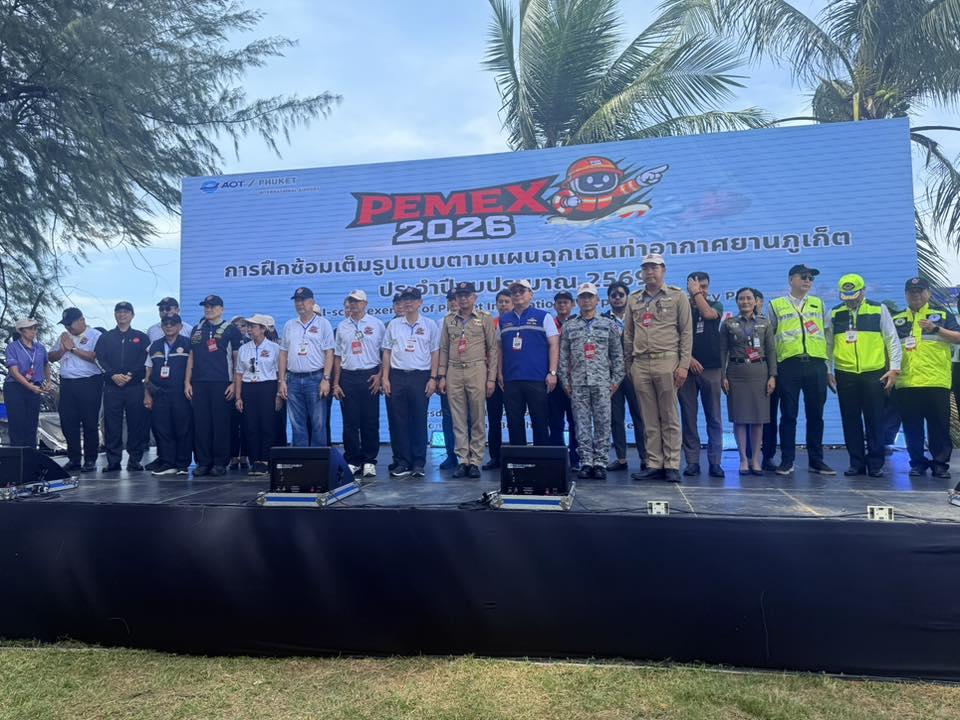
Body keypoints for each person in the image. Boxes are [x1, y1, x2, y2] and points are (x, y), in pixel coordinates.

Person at [624, 254, 692, 483]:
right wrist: (629, 365)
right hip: (640, 363)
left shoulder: (677, 296)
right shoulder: (634, 299)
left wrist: (683, 365)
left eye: (654, 267)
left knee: (670, 415)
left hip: (667, 360)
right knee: (649, 417)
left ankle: (672, 464)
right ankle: (654, 463)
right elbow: (628, 334)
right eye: (646, 268)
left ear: (663, 270)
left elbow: (686, 333)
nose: (649, 272)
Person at [828, 274, 902, 477]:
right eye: (846, 296)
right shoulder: (834, 313)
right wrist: (828, 370)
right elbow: (828, 344)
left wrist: (894, 368)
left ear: (863, 291)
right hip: (845, 373)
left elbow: (892, 340)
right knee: (850, 419)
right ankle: (856, 463)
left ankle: (876, 463)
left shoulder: (878, 309)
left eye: (854, 295)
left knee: (875, 418)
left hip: (874, 372)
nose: (850, 300)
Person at [768, 264, 835, 476]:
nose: (807, 281)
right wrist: (773, 371)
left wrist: (828, 369)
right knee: (788, 415)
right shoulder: (776, 305)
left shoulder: (819, 304)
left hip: (816, 365)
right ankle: (787, 460)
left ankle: (816, 460)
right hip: (789, 365)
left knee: (816, 415)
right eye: (803, 276)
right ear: (791, 280)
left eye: (811, 278)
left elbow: (828, 339)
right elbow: (769, 341)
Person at [893, 277, 960, 480]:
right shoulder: (897, 319)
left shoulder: (942, 315)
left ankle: (940, 465)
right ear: (906, 294)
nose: (916, 295)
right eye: (911, 292)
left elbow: (958, 337)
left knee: (939, 427)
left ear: (928, 293)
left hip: (936, 381)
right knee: (912, 428)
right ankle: (917, 463)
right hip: (907, 382)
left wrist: (936, 328)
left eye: (920, 291)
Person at [558, 283, 624, 479]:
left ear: (597, 300)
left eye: (590, 297)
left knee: (603, 423)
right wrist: (565, 382)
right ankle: (586, 461)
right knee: (581, 424)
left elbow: (617, 356)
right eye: (583, 297)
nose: (586, 300)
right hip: (578, 384)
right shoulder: (569, 326)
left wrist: (615, 381)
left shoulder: (608, 324)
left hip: (603, 383)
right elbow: (563, 357)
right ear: (577, 301)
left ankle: (600, 462)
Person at [438, 281, 498, 478]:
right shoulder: (449, 319)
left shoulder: (484, 318)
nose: (463, 298)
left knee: (478, 417)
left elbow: (492, 349)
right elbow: (444, 348)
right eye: (460, 295)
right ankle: (463, 459)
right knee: (458, 418)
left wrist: (491, 378)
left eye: (467, 295)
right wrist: (441, 375)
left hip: (477, 369)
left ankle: (475, 461)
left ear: (474, 297)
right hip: (454, 371)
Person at [382, 286, 440, 478]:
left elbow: (435, 353)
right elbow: (387, 352)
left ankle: (418, 462)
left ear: (420, 303)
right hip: (397, 376)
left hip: (420, 377)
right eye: (405, 299)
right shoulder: (394, 325)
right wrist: (385, 378)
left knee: (418, 420)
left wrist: (433, 378)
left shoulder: (430, 325)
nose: (408, 303)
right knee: (399, 421)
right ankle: (402, 462)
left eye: (412, 299)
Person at [185, 294, 243, 476]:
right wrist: (187, 382)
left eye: (212, 306)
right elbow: (191, 357)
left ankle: (220, 462)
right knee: (201, 424)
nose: (208, 309)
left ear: (221, 309)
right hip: (199, 383)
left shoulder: (231, 329)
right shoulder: (197, 329)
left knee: (220, 424)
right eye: (206, 306)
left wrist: (234, 383)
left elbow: (236, 359)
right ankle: (203, 462)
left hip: (222, 382)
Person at [720, 288, 776, 475]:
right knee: (740, 419)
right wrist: (723, 376)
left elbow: (771, 351)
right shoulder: (728, 323)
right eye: (741, 298)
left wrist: (772, 376)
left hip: (759, 373)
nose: (745, 302)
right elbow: (722, 351)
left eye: (749, 298)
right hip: (736, 373)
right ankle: (743, 459)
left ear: (755, 301)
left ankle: (755, 460)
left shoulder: (764, 322)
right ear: (737, 301)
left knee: (758, 419)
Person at [499, 279, 560, 446]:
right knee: (514, 423)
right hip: (511, 379)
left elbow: (554, 345)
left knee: (540, 421)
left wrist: (552, 372)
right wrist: (499, 373)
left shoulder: (544, 316)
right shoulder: (504, 320)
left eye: (522, 291)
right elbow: (499, 349)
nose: (518, 294)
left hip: (537, 378)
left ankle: (541, 458)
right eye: (514, 292)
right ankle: (519, 459)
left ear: (531, 294)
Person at [332, 289, 385, 478]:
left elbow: (385, 353)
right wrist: (336, 383)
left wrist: (380, 375)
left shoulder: (377, 324)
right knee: (350, 422)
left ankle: (369, 460)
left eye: (357, 301)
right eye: (351, 301)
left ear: (365, 304)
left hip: (370, 375)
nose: (353, 305)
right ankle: (353, 460)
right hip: (348, 376)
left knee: (370, 420)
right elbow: (338, 356)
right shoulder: (342, 326)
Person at [678, 271, 725, 478]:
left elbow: (708, 315)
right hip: (686, 370)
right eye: (697, 287)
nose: (701, 290)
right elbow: (673, 337)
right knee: (689, 417)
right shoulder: (682, 308)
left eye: (704, 286)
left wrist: (697, 294)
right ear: (688, 287)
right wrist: (688, 359)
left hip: (712, 369)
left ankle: (715, 462)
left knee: (714, 417)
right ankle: (692, 462)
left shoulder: (716, 305)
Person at [95, 302, 150, 472]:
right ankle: (113, 461)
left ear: (132, 315)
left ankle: (134, 460)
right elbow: (99, 359)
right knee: (112, 425)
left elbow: (145, 360)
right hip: (112, 387)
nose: (122, 314)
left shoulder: (141, 337)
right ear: (115, 315)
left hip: (134, 387)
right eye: (119, 312)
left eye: (126, 312)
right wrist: (112, 375)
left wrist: (131, 374)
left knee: (136, 424)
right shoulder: (106, 337)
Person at [278, 287, 335, 447]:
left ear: (312, 302)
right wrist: (282, 380)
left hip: (315, 378)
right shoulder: (290, 325)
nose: (299, 304)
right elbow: (283, 354)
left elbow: (329, 353)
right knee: (297, 423)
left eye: (303, 300)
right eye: (297, 301)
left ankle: (318, 460)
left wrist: (326, 379)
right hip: (293, 379)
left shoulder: (323, 324)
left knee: (318, 423)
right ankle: (300, 459)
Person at [48, 308, 103, 472]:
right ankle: (74, 459)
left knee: (89, 422)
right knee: (68, 422)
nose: (67, 327)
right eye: (65, 324)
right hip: (67, 383)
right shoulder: (64, 336)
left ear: (81, 320)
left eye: (70, 324)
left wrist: (73, 349)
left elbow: (96, 357)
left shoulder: (95, 335)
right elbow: (51, 357)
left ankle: (90, 459)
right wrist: (63, 349)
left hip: (89, 381)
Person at [602, 281, 646, 472]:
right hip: (612, 376)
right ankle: (621, 459)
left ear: (627, 297)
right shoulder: (603, 319)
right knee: (616, 418)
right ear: (609, 299)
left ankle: (646, 458)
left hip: (634, 371)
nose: (617, 298)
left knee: (640, 416)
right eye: (613, 295)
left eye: (621, 294)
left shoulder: (637, 316)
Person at [143, 313, 192, 476]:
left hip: (180, 392)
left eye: (173, 323)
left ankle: (182, 464)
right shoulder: (154, 345)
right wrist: (147, 394)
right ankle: (167, 462)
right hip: (159, 392)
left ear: (180, 326)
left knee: (182, 428)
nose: (169, 326)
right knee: (162, 428)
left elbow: (193, 367)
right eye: (165, 323)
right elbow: (148, 371)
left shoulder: (188, 344)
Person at [234, 314, 280, 476]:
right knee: (250, 425)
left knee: (267, 425)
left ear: (263, 329)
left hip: (268, 386)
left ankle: (266, 460)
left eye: (253, 326)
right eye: (248, 326)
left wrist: (278, 394)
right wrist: (238, 397)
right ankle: (255, 460)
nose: (249, 330)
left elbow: (279, 373)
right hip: (248, 388)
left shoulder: (274, 348)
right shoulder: (243, 348)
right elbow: (239, 373)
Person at [3, 319, 51, 449]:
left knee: (32, 423)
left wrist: (48, 381)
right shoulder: (13, 347)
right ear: (21, 331)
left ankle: (31, 454)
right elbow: (14, 371)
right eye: (30, 329)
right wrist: (29, 386)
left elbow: (46, 364)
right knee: (17, 422)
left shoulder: (40, 348)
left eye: (35, 328)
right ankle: (17, 455)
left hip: (35, 386)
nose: (33, 331)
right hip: (16, 387)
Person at [548, 290, 580, 468]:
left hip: (575, 379)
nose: (562, 305)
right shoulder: (549, 323)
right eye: (559, 302)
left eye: (566, 302)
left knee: (575, 421)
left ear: (572, 305)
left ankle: (576, 458)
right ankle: (557, 459)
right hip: (555, 380)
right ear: (554, 305)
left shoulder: (578, 324)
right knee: (555, 421)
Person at [483, 290, 513, 470]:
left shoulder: (516, 322)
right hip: (492, 378)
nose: (503, 305)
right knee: (494, 420)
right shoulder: (490, 323)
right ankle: (495, 457)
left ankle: (515, 455)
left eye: (507, 301)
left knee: (513, 418)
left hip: (512, 378)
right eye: (500, 302)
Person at [754, 289, 780, 471]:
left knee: (769, 417)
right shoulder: (735, 323)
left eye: (754, 299)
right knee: (749, 417)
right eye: (745, 299)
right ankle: (750, 456)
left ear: (761, 302)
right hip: (747, 376)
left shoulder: (768, 322)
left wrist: (773, 374)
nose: (749, 303)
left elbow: (772, 350)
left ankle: (768, 456)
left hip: (768, 374)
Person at [437, 289, 459, 471]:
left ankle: (468, 457)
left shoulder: (476, 320)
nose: (453, 303)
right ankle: (451, 455)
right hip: (448, 375)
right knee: (448, 418)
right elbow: (438, 351)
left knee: (468, 418)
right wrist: (439, 376)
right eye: (450, 300)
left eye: (456, 299)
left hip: (468, 374)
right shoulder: (441, 322)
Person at [385, 292, 404, 472]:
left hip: (411, 378)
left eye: (402, 303)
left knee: (410, 420)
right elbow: (381, 354)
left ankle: (411, 458)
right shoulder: (387, 326)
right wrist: (382, 377)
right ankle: (398, 457)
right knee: (394, 420)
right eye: (396, 304)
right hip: (391, 378)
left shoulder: (421, 324)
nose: (399, 306)